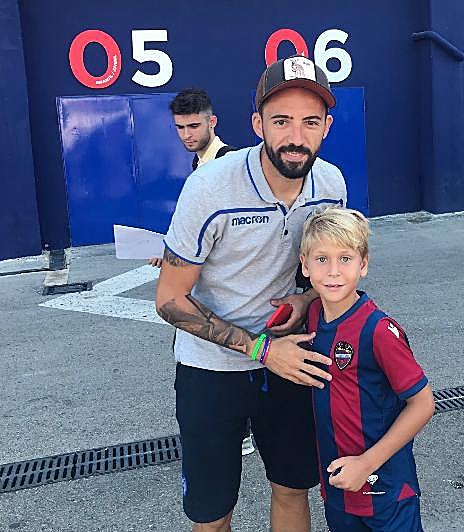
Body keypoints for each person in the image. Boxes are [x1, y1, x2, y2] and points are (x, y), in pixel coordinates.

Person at [155, 55, 347, 531]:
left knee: (293, 489)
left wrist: (306, 299)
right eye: (281, 121)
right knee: (213, 513)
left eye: (310, 122)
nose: (296, 137)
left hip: (292, 361)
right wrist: (261, 349)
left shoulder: (331, 184)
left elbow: (324, 269)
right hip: (211, 371)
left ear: (327, 127)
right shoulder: (210, 187)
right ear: (257, 124)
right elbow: (170, 299)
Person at [298, 206, 435, 532]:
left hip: (386, 491)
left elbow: (423, 404)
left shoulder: (378, 331)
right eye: (321, 259)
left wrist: (366, 463)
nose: (333, 271)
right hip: (338, 488)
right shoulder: (313, 315)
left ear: (363, 265)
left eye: (345, 259)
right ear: (305, 265)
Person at [148, 89, 236, 268]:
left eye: (194, 126)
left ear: (212, 122)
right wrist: (173, 250)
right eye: (180, 127)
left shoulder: (230, 162)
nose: (186, 135)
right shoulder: (199, 163)